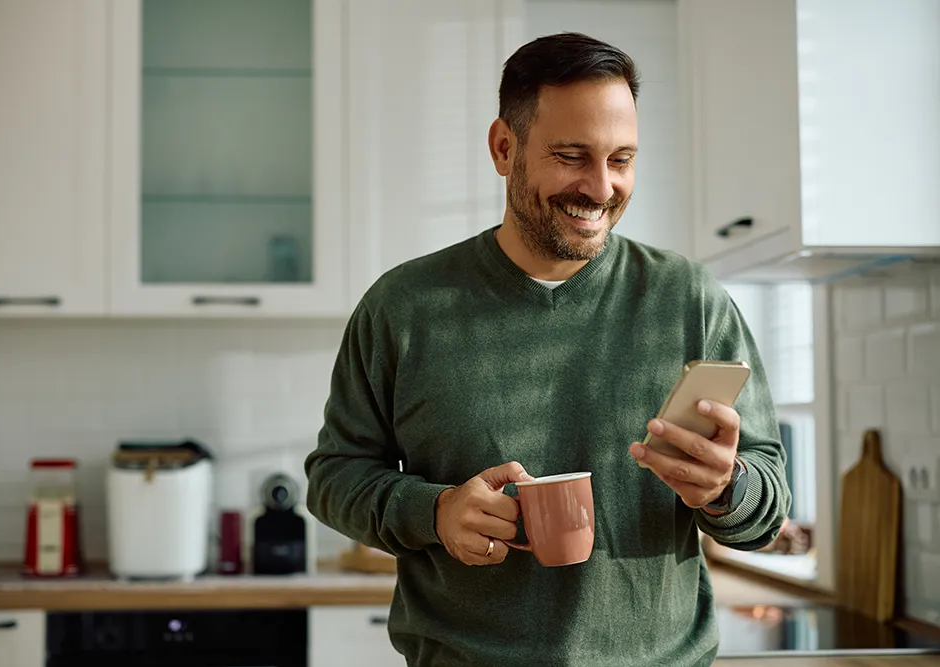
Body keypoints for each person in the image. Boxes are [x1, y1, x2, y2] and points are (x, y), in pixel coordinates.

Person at [305, 32, 790, 667]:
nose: (600, 187)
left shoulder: (687, 300)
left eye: (621, 159)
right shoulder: (404, 307)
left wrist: (724, 489)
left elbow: (768, 500)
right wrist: (436, 510)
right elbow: (334, 476)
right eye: (570, 156)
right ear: (504, 148)